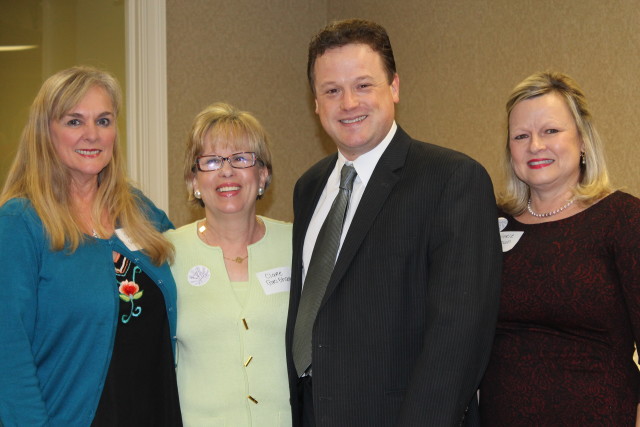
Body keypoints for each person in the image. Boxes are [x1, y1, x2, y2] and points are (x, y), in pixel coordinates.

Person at [285, 19, 502, 427]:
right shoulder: (309, 188)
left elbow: (458, 338)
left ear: (395, 87)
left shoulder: (452, 179)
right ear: (315, 102)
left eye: (364, 85)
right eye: (332, 90)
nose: (348, 103)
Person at [0, 66, 181, 426]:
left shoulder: (139, 210)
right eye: (74, 121)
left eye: (103, 120)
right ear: (45, 132)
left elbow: (196, 271)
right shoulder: (21, 222)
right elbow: (9, 355)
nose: (91, 135)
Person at [479, 71, 640, 426]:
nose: (535, 146)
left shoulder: (623, 219)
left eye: (550, 131)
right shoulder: (489, 225)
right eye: (521, 136)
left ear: (583, 140)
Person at [165, 102, 292, 426]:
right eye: (211, 161)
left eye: (240, 158)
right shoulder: (167, 254)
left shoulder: (298, 246)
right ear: (194, 180)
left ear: (262, 174)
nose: (226, 171)